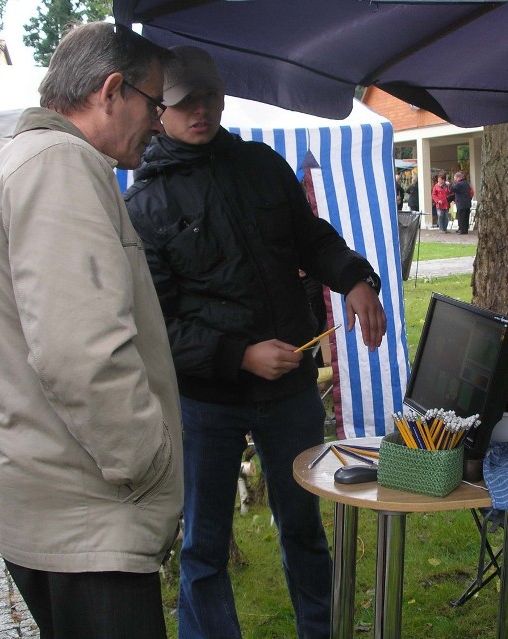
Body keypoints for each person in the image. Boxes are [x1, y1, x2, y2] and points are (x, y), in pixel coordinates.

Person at [125, 45, 388, 639]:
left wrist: (354, 280)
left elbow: (311, 240)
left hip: (290, 390)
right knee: (203, 547)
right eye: (184, 102)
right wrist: (238, 355)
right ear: (160, 110)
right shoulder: (144, 204)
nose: (200, 111)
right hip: (205, 402)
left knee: (303, 527)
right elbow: (156, 325)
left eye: (209, 98)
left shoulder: (263, 165)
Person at [0, 23, 183, 638]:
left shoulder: (26, 164)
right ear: (112, 91)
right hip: (88, 522)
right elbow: (83, 356)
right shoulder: (61, 165)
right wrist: (151, 463)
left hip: (63, 513)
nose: (161, 122)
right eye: (155, 103)